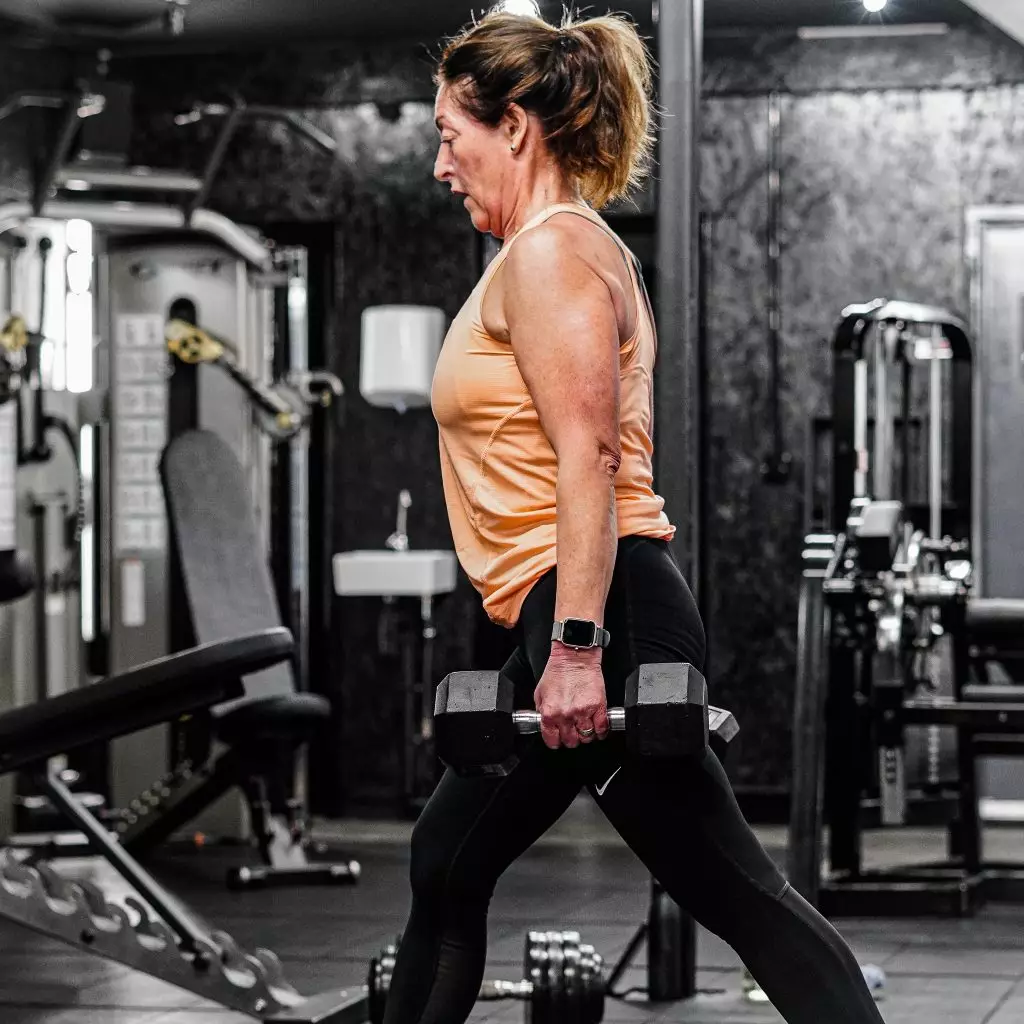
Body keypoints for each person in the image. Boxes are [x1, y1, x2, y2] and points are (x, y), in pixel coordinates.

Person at [382, 10, 885, 1024]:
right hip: (572, 610)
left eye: (449, 134)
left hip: (599, 617)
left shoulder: (553, 255)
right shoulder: (544, 253)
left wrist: (576, 648)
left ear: (513, 126)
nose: (440, 165)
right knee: (444, 863)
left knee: (741, 896)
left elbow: (591, 455)